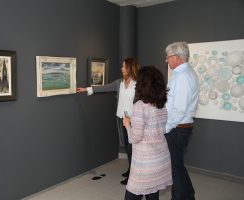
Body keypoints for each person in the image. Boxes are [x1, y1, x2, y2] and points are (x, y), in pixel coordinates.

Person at [77, 58, 139, 185]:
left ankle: (134, 176)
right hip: (121, 119)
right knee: (128, 147)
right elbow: (104, 88)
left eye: (124, 66)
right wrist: (87, 89)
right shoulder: (119, 83)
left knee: (133, 148)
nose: (122, 69)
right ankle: (130, 169)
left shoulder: (138, 84)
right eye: (122, 66)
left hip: (133, 121)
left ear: (130, 68)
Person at [123, 65, 172, 200]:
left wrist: (127, 124)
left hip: (145, 164)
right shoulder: (161, 105)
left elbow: (135, 138)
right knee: (153, 193)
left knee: (131, 195)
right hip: (160, 159)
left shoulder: (139, 106)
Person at [165, 42, 200, 200]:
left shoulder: (183, 76)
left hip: (176, 128)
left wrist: (164, 128)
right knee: (177, 166)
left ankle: (180, 197)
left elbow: (178, 110)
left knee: (174, 169)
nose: (166, 61)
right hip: (179, 127)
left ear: (177, 57)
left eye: (168, 57)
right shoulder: (184, 73)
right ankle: (189, 195)